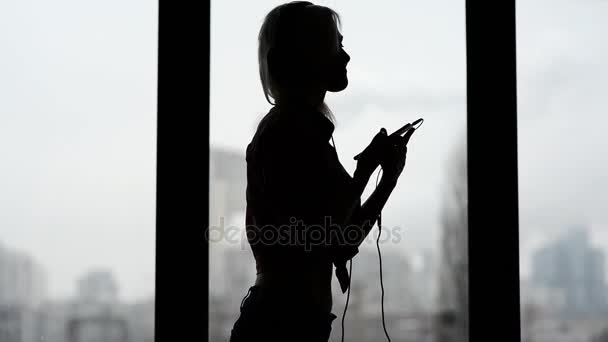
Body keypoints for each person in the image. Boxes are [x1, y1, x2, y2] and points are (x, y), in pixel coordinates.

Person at [229, 2, 414, 342]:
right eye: (335, 45)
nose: (345, 57)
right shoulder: (287, 132)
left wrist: (385, 179)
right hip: (284, 325)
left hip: (288, 322)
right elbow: (328, 237)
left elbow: (338, 241)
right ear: (304, 56)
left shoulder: (296, 131)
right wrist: (368, 172)